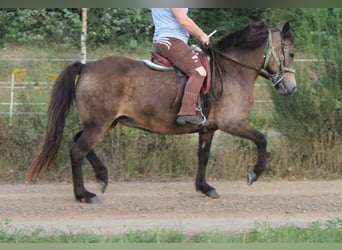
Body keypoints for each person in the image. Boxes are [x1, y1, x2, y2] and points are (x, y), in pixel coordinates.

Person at [151, 8, 210, 126]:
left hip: (166, 40)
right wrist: (201, 35)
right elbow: (184, 21)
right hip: (171, 41)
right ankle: (187, 113)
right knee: (199, 72)